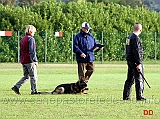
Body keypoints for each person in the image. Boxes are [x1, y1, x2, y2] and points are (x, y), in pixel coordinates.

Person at [73, 22, 103, 88]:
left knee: (91, 69)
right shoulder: (77, 36)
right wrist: (80, 53)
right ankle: (81, 86)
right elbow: (75, 47)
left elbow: (95, 44)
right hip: (81, 58)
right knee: (81, 73)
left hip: (90, 57)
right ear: (82, 28)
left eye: (88, 28)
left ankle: (84, 82)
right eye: (86, 28)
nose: (87, 30)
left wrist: (99, 47)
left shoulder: (91, 36)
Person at [11, 25, 39, 95]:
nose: (34, 33)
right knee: (33, 76)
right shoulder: (31, 39)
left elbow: (21, 51)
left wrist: (21, 59)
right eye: (34, 32)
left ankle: (16, 86)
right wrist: (35, 60)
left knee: (26, 76)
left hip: (24, 60)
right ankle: (34, 91)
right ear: (31, 31)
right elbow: (32, 51)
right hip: (29, 60)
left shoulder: (23, 39)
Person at [123, 22, 146, 101]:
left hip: (130, 61)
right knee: (139, 79)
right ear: (140, 30)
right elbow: (136, 51)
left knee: (129, 79)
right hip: (135, 61)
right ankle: (139, 96)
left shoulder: (129, 37)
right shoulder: (136, 38)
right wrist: (139, 63)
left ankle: (126, 96)